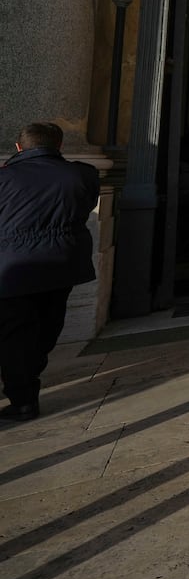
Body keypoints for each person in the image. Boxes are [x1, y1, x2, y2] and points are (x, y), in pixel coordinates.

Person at [0, 123, 99, 422]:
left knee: (15, 334)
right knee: (48, 326)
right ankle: (28, 381)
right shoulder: (80, 174)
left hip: (13, 267)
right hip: (61, 264)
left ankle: (23, 399)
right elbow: (86, 202)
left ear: (19, 147)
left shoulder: (5, 178)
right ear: (59, 145)